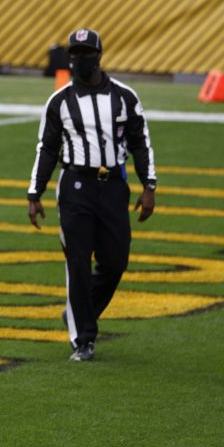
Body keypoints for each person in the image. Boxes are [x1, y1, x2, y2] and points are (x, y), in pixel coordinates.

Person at [26, 28, 158, 362]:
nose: (80, 60)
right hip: (76, 187)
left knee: (115, 262)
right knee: (78, 264)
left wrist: (149, 186)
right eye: (75, 54)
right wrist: (35, 192)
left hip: (113, 186)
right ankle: (83, 339)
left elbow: (140, 142)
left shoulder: (125, 97)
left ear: (100, 55)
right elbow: (48, 148)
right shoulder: (60, 101)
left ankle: (77, 312)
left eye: (86, 53)